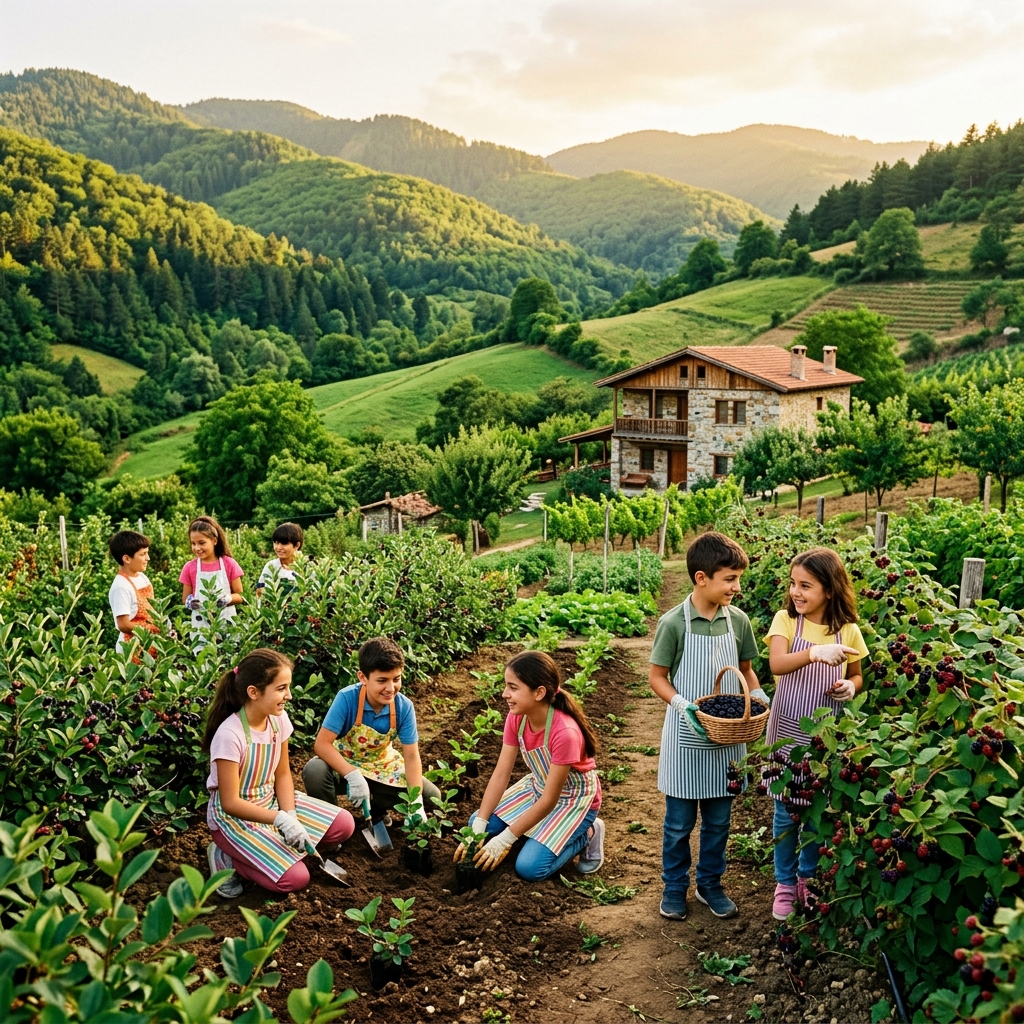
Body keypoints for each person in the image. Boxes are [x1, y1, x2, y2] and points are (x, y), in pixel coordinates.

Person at [649, 531, 770, 922]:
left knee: (719, 821)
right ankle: (674, 887)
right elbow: (657, 677)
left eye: (738, 578)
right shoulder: (674, 624)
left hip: (728, 736)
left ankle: (710, 884)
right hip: (685, 736)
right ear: (702, 578)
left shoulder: (738, 621)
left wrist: (759, 696)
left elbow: (747, 672)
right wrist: (683, 705)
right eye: (730, 579)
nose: (737, 587)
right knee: (679, 824)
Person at [204, 648, 355, 897]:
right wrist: (280, 820)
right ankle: (227, 857)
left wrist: (290, 815)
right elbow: (230, 803)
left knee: (344, 824)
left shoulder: (278, 719)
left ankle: (274, 850)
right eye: (281, 688)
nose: (289, 696)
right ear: (253, 692)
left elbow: (283, 774)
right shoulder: (230, 736)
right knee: (295, 880)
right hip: (236, 820)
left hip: (271, 803)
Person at [766, 547, 866, 920]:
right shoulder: (787, 622)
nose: (796, 592)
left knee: (816, 812)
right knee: (785, 812)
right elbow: (777, 664)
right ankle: (784, 883)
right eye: (793, 584)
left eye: (805, 586)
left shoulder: (848, 630)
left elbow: (856, 675)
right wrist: (813, 654)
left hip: (825, 739)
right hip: (786, 733)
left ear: (829, 588)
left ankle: (807, 877)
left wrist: (850, 688)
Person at [455, 650, 605, 881]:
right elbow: (501, 774)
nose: (505, 694)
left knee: (529, 868)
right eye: (506, 686)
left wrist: (506, 839)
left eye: (513, 687)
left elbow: (550, 801)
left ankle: (589, 832)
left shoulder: (564, 732)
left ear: (539, 693)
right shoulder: (518, 717)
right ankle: (536, 835)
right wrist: (480, 825)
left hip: (572, 799)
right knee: (477, 822)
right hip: (538, 787)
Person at [302, 637, 441, 828]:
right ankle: (331, 826)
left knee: (432, 797)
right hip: (344, 765)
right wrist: (352, 775)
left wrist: (415, 802)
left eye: (396, 679)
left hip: (382, 766)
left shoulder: (403, 707)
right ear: (363, 677)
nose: (390, 688)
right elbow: (321, 744)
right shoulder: (347, 699)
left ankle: (377, 811)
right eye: (382, 681)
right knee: (314, 771)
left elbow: (411, 756)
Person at [180, 516, 244, 646]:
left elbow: (240, 595)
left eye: (202, 543)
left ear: (214, 541)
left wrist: (227, 599)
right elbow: (185, 597)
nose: (197, 548)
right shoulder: (189, 567)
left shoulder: (229, 563)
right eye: (193, 543)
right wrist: (190, 602)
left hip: (226, 623)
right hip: (201, 626)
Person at [108, 529, 159, 655]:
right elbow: (123, 624)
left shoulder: (142, 577)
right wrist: (149, 629)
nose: (148, 558)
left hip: (147, 643)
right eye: (143, 554)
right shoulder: (121, 586)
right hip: (131, 648)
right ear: (127, 558)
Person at [257, 522, 303, 603]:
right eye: (276, 543)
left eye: (284, 543)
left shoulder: (306, 569)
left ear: (297, 545)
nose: (278, 547)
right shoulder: (271, 566)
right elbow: (260, 593)